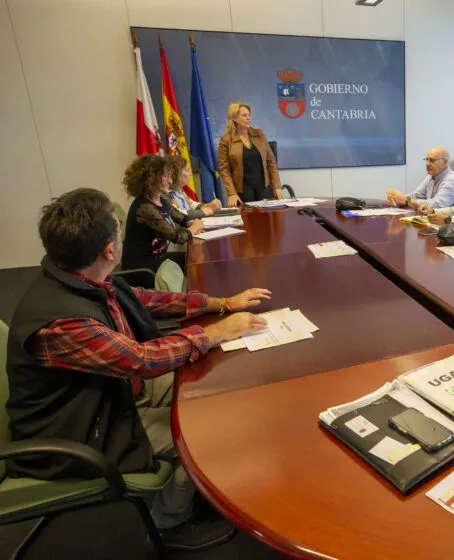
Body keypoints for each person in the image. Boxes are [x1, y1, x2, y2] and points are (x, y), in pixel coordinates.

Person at [5, 188, 271, 552]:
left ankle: (195, 489)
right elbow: (141, 361)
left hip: (106, 393)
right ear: (109, 251)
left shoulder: (80, 277)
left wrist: (221, 303)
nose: (123, 232)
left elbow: (145, 298)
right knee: (201, 430)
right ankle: (168, 526)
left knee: (215, 383)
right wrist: (215, 332)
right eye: (118, 227)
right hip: (78, 429)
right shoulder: (62, 324)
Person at [121, 155, 202, 281]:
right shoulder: (145, 208)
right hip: (142, 268)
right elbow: (178, 237)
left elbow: (182, 218)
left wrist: (192, 223)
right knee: (194, 263)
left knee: (195, 258)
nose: (170, 181)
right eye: (166, 176)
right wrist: (194, 227)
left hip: (158, 259)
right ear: (151, 179)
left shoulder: (162, 200)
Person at [218, 102, 283, 207]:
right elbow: (224, 169)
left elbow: (271, 161)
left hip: (264, 188)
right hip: (243, 191)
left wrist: (276, 186)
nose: (248, 118)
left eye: (249, 115)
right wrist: (232, 193)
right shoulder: (226, 140)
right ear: (234, 118)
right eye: (244, 115)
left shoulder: (258, 133)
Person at [385, 146, 454, 210]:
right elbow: (417, 195)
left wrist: (406, 200)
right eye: (426, 160)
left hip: (453, 225)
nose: (427, 164)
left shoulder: (452, 181)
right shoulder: (431, 177)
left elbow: (436, 205)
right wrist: (397, 198)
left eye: (432, 160)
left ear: (445, 162)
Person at [164, 154, 222, 219]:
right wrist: (207, 210)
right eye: (187, 170)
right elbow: (179, 214)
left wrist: (208, 205)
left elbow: (192, 204)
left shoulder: (179, 190)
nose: (190, 174)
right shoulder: (165, 195)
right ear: (176, 173)